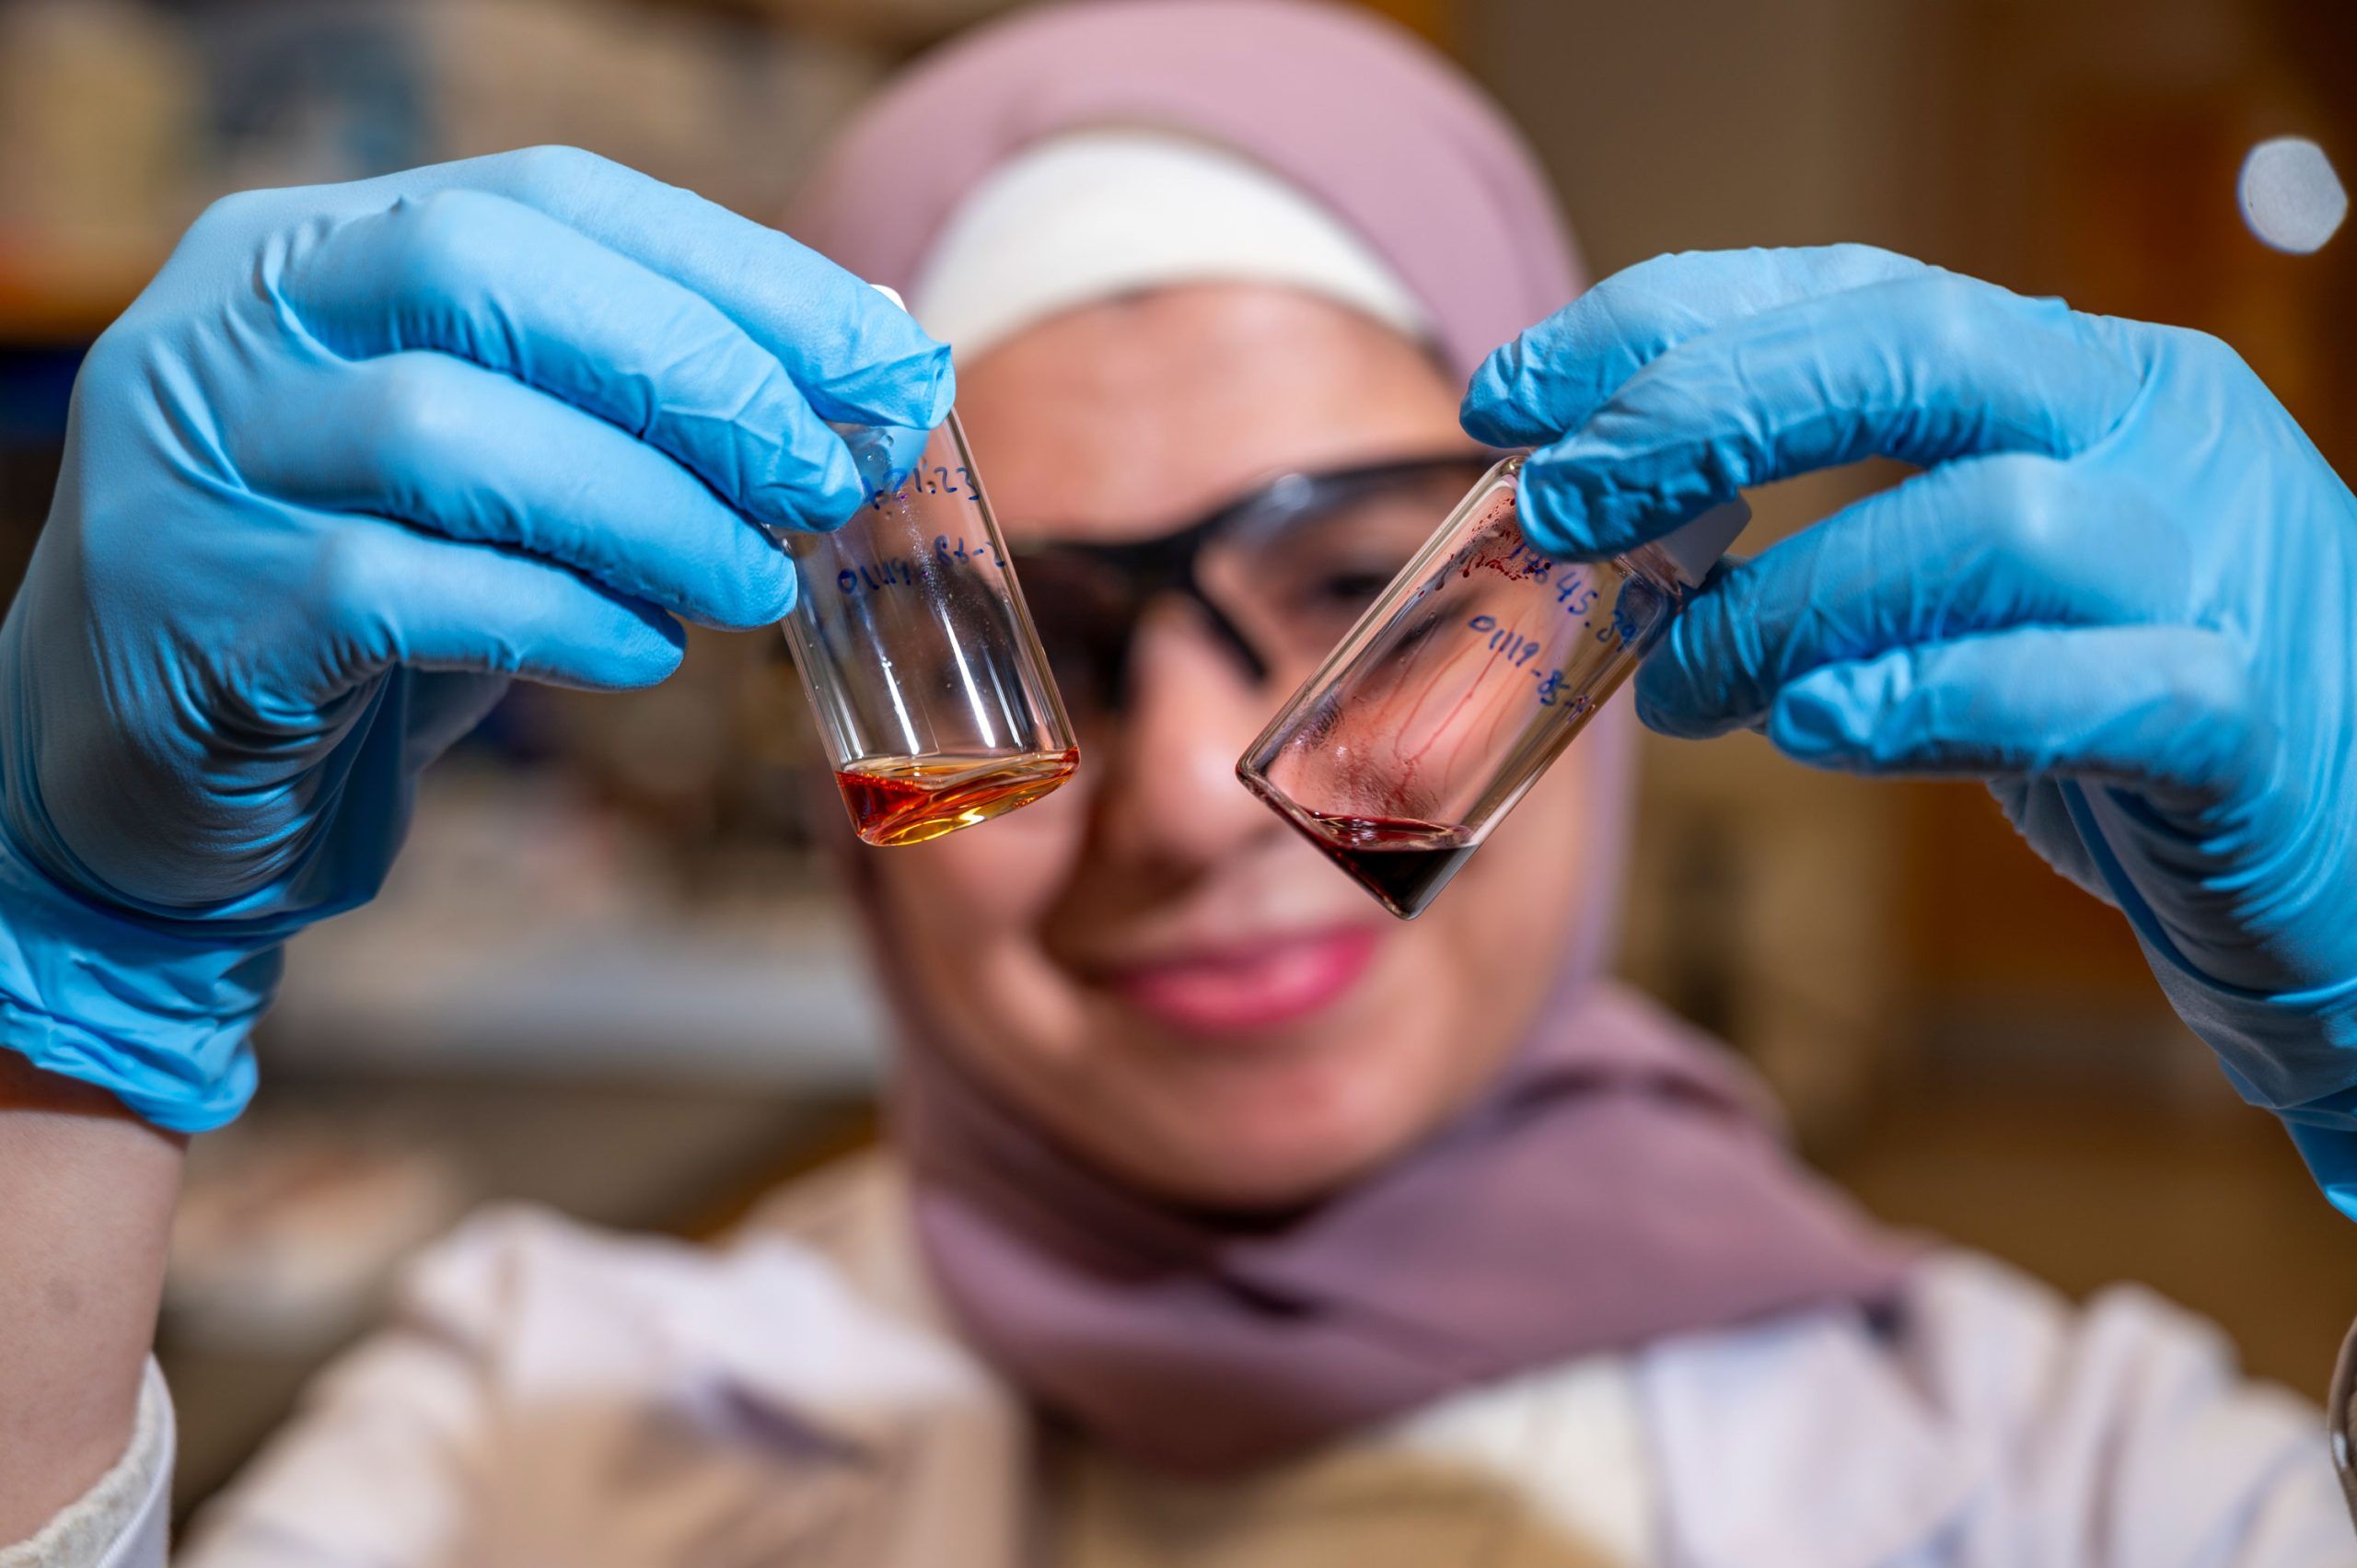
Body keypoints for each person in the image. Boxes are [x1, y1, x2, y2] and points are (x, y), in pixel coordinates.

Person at [4, 1, 2355, 1562]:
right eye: (1012, 629)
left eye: (1358, 589)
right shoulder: (527, 1429)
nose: (1196, 807)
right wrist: (58, 1017)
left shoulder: (2074, 1480)